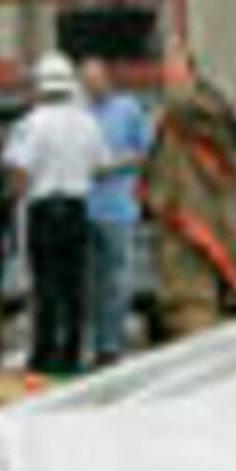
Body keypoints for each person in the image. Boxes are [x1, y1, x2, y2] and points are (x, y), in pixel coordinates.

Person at [3, 56, 109, 378]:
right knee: (75, 284)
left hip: (44, 209)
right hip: (78, 208)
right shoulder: (88, 121)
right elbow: (101, 167)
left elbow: (19, 172)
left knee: (45, 283)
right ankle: (72, 351)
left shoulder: (31, 123)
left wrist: (14, 197)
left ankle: (44, 352)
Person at [143, 48, 236, 341]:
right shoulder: (185, 118)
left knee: (192, 302)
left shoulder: (197, 110)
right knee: (186, 300)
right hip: (187, 221)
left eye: (173, 70)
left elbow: (180, 103)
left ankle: (200, 361)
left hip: (195, 224)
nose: (166, 77)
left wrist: (178, 78)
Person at [83, 57, 152, 366]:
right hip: (86, 209)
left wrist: (114, 166)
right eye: (86, 82)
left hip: (118, 209)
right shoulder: (80, 114)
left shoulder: (128, 109)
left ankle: (111, 345)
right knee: (89, 282)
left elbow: (146, 153)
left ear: (107, 79)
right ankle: (92, 344)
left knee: (117, 280)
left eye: (95, 80)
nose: (91, 87)